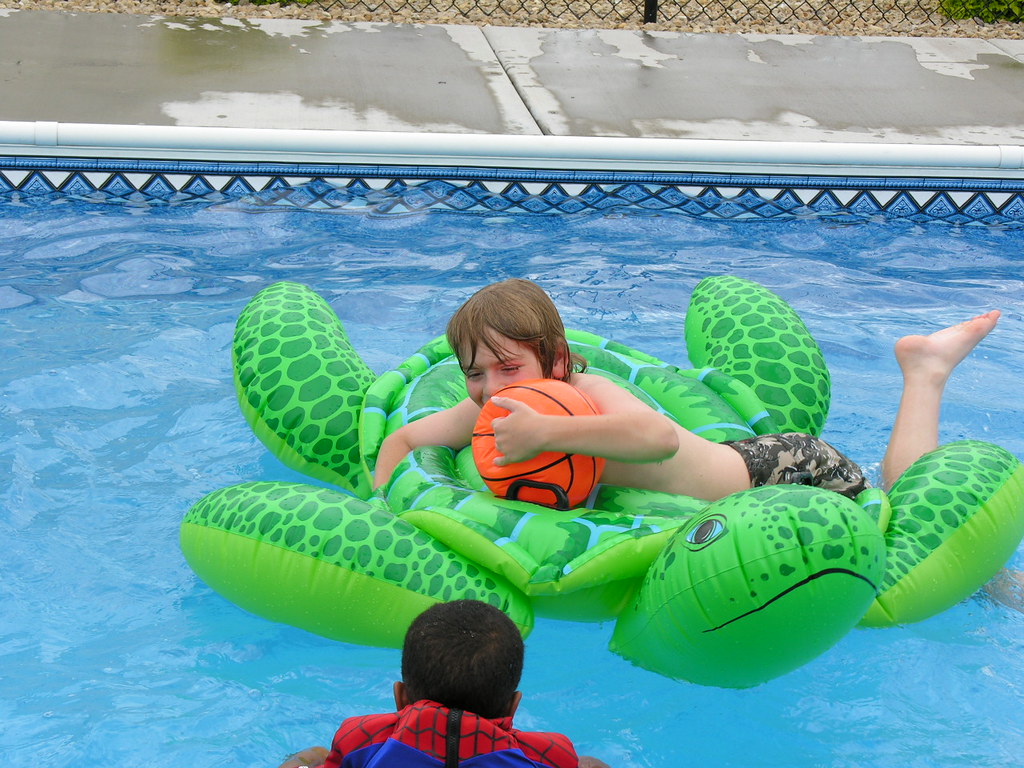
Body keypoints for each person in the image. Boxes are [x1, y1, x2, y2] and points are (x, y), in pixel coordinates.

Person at [373, 278, 1000, 500]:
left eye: (508, 367)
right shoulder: (491, 406)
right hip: (748, 478)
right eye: (475, 372)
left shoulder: (591, 392)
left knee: (896, 517)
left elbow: (655, 438)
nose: (489, 387)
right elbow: (404, 438)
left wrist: (547, 431)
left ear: (558, 361)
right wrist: (388, 502)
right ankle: (925, 373)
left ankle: (925, 372)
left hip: (780, 470)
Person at [276, 600, 611, 768]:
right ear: (514, 705)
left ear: (400, 696)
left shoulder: (361, 738)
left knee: (314, 756)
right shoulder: (548, 753)